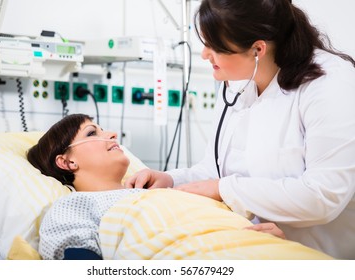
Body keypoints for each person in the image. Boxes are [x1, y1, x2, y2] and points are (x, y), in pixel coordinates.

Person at [124, 0, 355, 259]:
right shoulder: (240, 86)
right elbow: (215, 170)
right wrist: (171, 180)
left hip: (326, 255)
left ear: (257, 49)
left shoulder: (330, 84)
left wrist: (226, 189)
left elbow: (322, 196)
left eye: (215, 46)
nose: (204, 54)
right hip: (259, 248)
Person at [27, 113, 286, 259]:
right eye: (92, 133)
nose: (112, 134)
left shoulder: (163, 195)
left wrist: (261, 235)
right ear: (67, 161)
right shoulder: (73, 205)